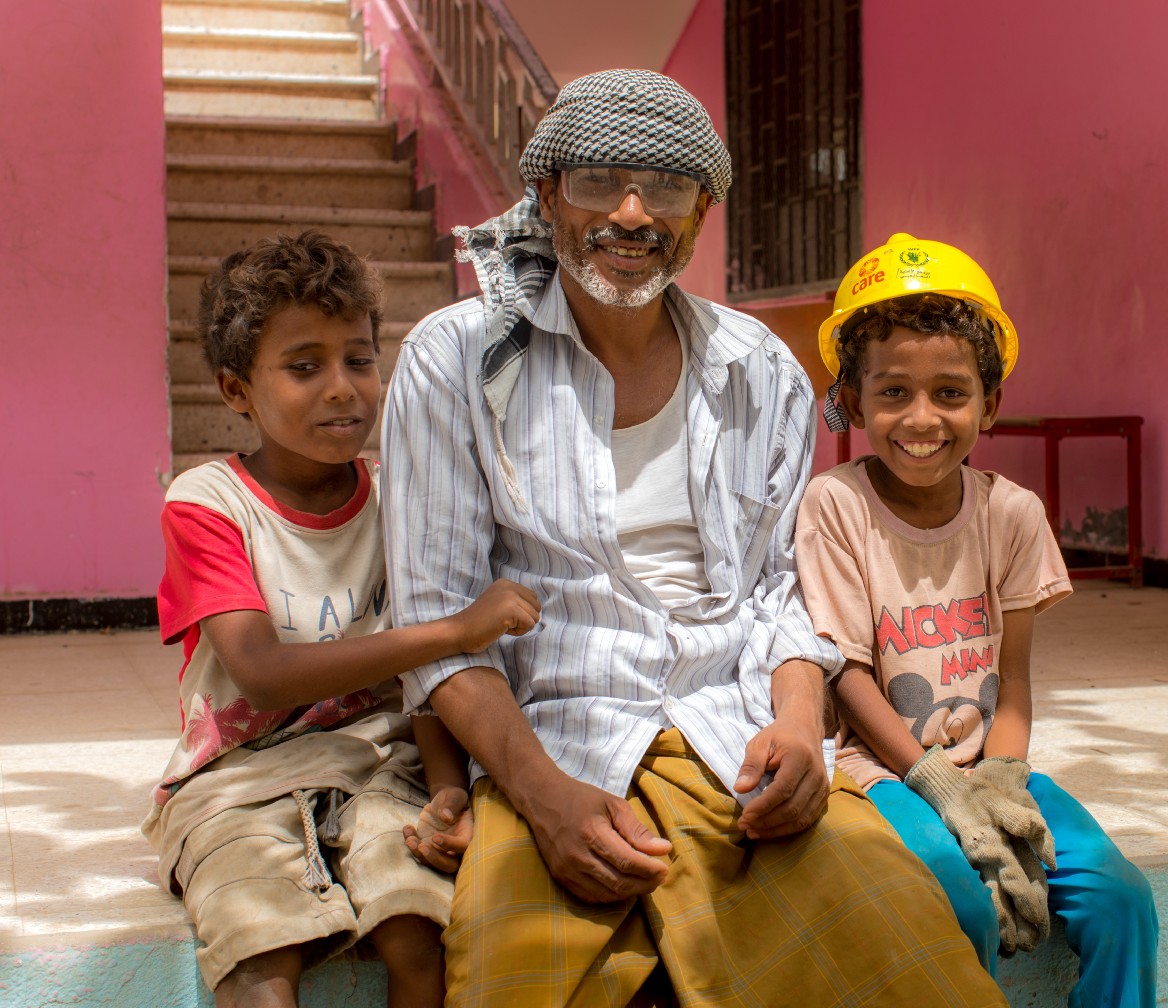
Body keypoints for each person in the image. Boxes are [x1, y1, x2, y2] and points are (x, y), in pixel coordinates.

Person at [380, 71, 1007, 1007]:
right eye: (599, 181)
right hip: (552, 744)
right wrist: (541, 800)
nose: (632, 214)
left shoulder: (759, 370)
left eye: (666, 188)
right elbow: (438, 621)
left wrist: (800, 725)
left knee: (906, 962)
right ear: (547, 195)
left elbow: (782, 594)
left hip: (739, 742)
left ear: (703, 212)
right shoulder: (457, 360)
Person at [141, 230, 540, 1008]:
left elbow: (422, 682)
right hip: (237, 783)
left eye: (358, 360)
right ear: (235, 391)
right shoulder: (207, 504)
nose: (342, 388)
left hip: (380, 767)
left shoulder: (401, 499)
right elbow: (259, 672)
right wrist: (458, 630)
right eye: (303, 366)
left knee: (418, 937)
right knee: (260, 958)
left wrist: (449, 788)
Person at [796, 233, 1160, 1007]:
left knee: (1121, 897)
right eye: (892, 392)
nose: (921, 417)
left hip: (987, 767)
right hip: (879, 770)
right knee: (958, 899)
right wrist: (937, 785)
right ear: (854, 402)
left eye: (950, 393)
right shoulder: (837, 506)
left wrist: (1001, 773)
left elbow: (1016, 673)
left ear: (989, 405)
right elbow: (848, 672)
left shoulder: (1013, 514)